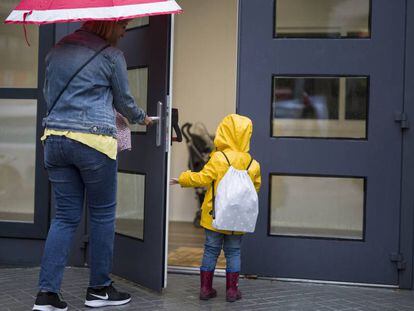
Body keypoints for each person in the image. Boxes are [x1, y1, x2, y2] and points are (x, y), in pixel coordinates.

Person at [32, 20, 152, 311]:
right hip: (93, 142)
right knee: (101, 215)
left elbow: (49, 95)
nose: (124, 31)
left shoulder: (55, 51)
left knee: (64, 217)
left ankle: (46, 295)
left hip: (55, 140)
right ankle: (98, 289)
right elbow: (123, 101)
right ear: (108, 25)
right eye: (123, 26)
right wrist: (141, 118)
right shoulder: (112, 56)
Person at [170, 114, 261, 302]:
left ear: (224, 133)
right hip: (237, 219)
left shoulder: (219, 158)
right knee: (234, 252)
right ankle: (232, 291)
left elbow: (202, 178)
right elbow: (255, 188)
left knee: (211, 250)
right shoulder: (253, 164)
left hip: (214, 216)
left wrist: (182, 179)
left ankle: (205, 289)